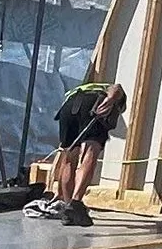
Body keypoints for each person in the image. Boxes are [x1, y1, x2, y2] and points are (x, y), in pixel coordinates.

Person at [37, 78, 128, 225]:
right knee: (90, 152)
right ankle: (76, 202)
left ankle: (69, 210)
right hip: (91, 105)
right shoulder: (110, 94)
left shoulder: (81, 88)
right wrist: (111, 99)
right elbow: (116, 88)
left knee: (68, 159)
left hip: (67, 108)